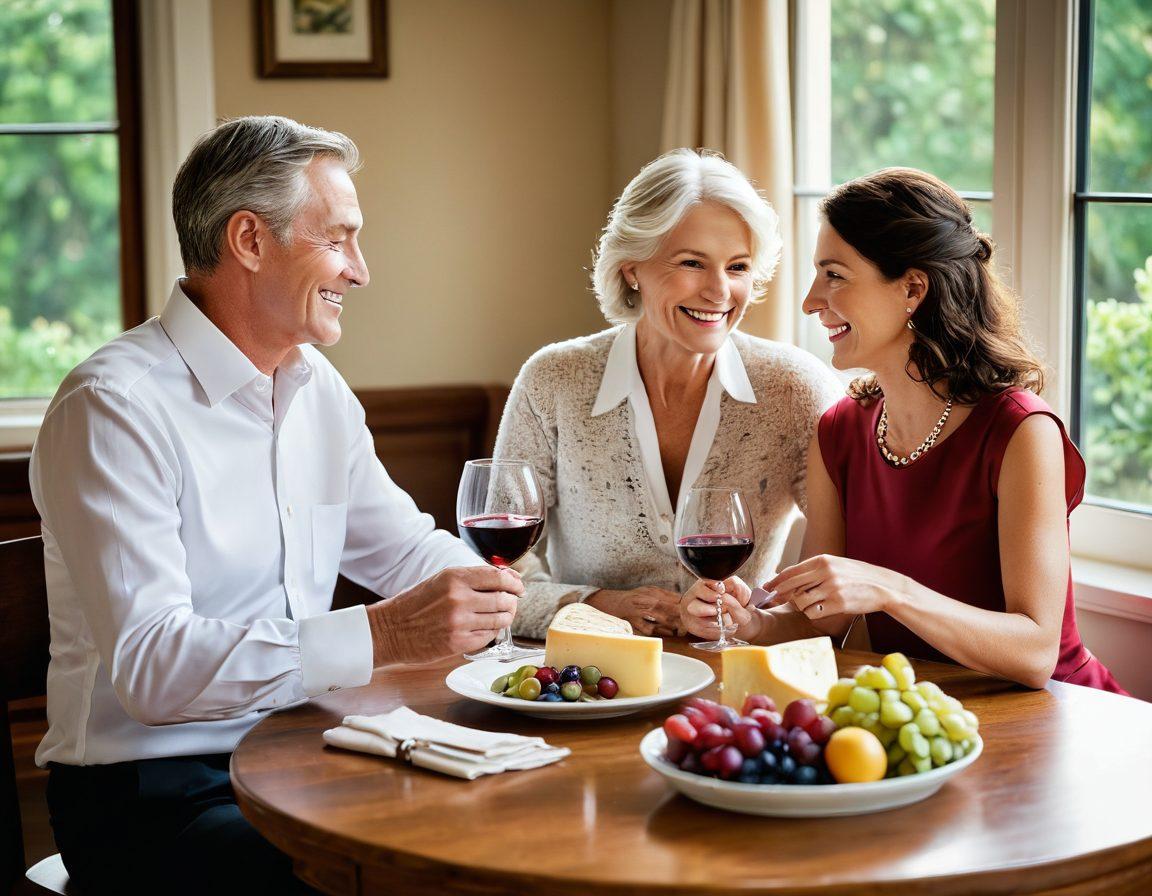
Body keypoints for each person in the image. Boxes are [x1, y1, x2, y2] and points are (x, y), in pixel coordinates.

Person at [29, 115, 523, 895]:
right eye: (339, 239)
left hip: (305, 752)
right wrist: (386, 633)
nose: (360, 271)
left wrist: (511, 607)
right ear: (250, 240)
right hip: (152, 797)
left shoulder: (317, 388)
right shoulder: (113, 406)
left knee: (501, 832)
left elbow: (404, 550)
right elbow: (154, 668)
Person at [681, 167, 1127, 694]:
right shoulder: (839, 432)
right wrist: (751, 622)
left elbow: (1035, 653)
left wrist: (890, 590)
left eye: (834, 275)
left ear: (913, 288)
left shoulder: (1019, 430)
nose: (811, 300)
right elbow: (821, 620)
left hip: (1059, 713)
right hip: (926, 709)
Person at [493, 148, 841, 639]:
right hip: (592, 675)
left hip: (737, 672)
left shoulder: (795, 388)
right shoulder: (553, 381)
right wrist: (598, 606)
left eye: (738, 267)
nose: (719, 291)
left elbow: (840, 569)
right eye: (692, 263)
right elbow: (498, 575)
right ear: (631, 267)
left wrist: (755, 619)